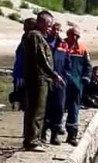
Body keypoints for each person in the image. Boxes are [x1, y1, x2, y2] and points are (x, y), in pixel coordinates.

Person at [22, 11, 64, 152]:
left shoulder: (38, 36)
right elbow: (41, 58)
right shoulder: (35, 36)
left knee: (37, 110)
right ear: (41, 23)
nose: (50, 28)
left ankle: (34, 138)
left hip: (40, 78)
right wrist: (54, 75)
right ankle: (32, 141)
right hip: (38, 78)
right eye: (48, 25)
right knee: (37, 110)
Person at [63, 26, 92, 146]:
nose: (74, 38)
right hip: (62, 82)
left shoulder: (82, 49)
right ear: (68, 34)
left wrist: (85, 79)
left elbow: (88, 66)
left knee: (74, 109)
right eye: (72, 35)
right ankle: (53, 133)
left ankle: (72, 135)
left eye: (76, 35)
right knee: (57, 108)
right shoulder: (61, 46)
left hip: (77, 84)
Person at [43, 22, 69, 145]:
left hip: (60, 81)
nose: (56, 31)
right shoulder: (43, 42)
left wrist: (65, 77)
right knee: (45, 107)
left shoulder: (63, 44)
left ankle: (55, 135)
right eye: (54, 29)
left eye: (58, 29)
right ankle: (43, 134)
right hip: (46, 80)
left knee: (59, 108)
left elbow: (67, 62)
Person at [10, 17, 36, 111]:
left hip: (25, 74)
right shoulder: (24, 37)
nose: (23, 28)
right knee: (20, 98)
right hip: (19, 73)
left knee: (25, 100)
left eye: (25, 25)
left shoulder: (32, 38)